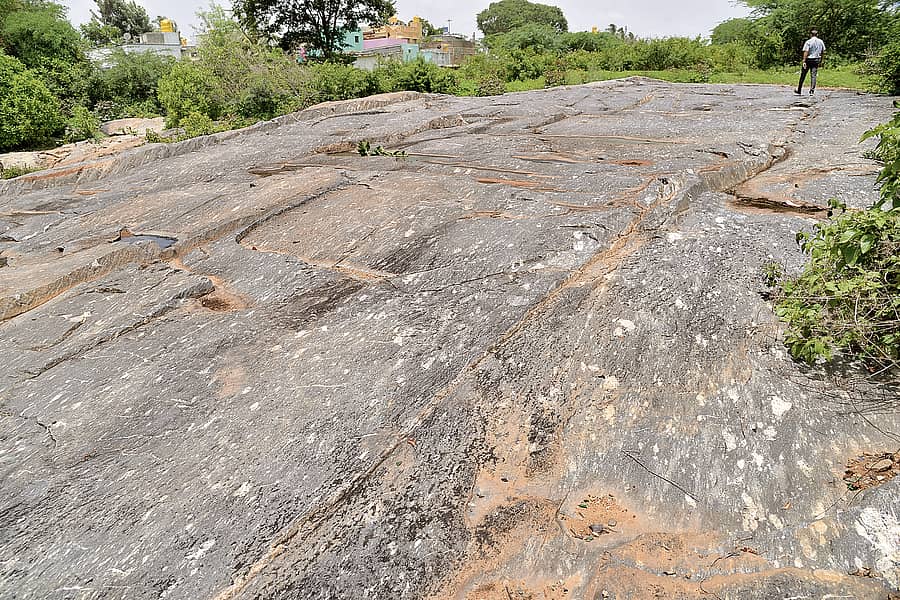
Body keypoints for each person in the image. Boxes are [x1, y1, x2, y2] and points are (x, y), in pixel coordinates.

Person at [795, 29, 825, 96]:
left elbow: (806, 51)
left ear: (810, 35)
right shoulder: (821, 42)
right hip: (816, 59)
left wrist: (804, 61)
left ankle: (799, 90)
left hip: (809, 59)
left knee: (803, 75)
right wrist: (821, 60)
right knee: (813, 75)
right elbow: (823, 52)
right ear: (817, 35)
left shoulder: (808, 42)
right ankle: (812, 90)